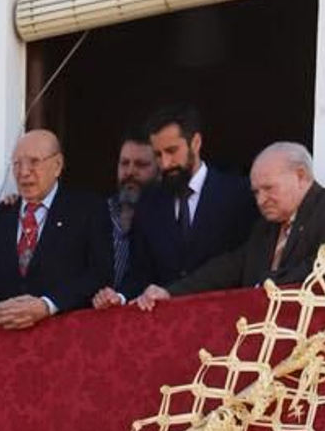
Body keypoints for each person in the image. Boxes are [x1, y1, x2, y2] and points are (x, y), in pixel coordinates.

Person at [137, 141, 325, 303]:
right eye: (256, 192)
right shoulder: (264, 229)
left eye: (268, 188)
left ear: (301, 175)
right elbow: (228, 268)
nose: (260, 200)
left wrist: (263, 285)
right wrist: (171, 293)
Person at [0, 129, 110, 328]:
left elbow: (99, 274)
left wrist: (48, 305)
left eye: (34, 162)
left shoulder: (88, 211)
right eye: (17, 164)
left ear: (57, 165)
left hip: (65, 339)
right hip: (2, 343)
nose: (23, 172)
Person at [102, 104, 254, 303]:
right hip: (168, 326)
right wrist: (120, 297)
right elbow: (140, 272)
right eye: (158, 154)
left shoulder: (238, 194)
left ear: (196, 143)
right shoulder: (148, 203)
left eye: (172, 151)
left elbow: (246, 263)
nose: (165, 163)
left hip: (224, 319)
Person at [98, 130, 157, 298]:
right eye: (124, 163)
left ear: (159, 169)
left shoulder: (167, 217)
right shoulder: (98, 212)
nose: (130, 171)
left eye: (141, 164)